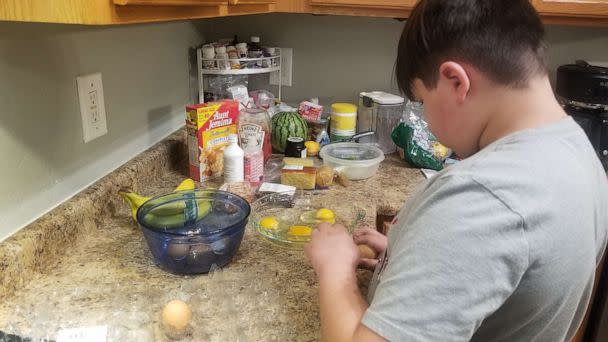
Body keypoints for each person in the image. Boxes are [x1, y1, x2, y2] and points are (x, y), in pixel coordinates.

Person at [304, 0, 608, 341]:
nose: (429, 124)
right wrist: (415, 255)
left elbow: (478, 230)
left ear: (455, 81)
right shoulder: (581, 152)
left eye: (422, 101)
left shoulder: (482, 199)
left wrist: (335, 270)